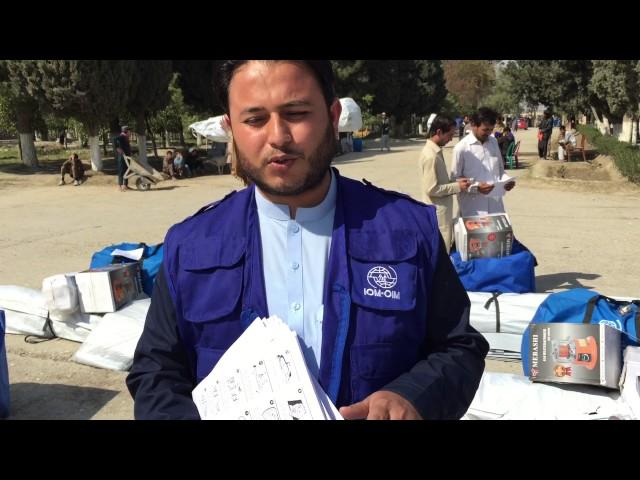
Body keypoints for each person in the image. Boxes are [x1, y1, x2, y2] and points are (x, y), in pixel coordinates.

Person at [126, 60, 488, 420]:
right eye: (254, 120)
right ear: (230, 127)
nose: (278, 137)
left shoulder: (409, 230)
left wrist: (413, 397)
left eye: (296, 113)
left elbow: (458, 346)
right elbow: (156, 371)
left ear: (332, 116)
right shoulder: (189, 245)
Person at [418, 115, 470, 253]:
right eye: (450, 134)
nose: (451, 139)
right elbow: (432, 189)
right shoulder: (431, 156)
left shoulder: (435, 152)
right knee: (441, 252)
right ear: (439, 132)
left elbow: (439, 182)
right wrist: (457, 187)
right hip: (438, 215)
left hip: (441, 212)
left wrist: (456, 182)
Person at [451, 106, 516, 217]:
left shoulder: (493, 142)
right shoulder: (461, 148)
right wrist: (476, 187)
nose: (488, 133)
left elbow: (500, 170)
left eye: (491, 129)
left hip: (496, 207)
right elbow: (454, 179)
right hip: (473, 210)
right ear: (473, 126)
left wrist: (506, 181)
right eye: (485, 130)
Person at [114, 126, 132, 191]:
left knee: (126, 170)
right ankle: (119, 186)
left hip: (127, 157)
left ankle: (125, 185)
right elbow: (115, 139)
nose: (130, 132)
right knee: (121, 171)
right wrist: (118, 149)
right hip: (122, 157)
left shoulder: (125, 137)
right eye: (129, 131)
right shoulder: (122, 136)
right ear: (126, 131)